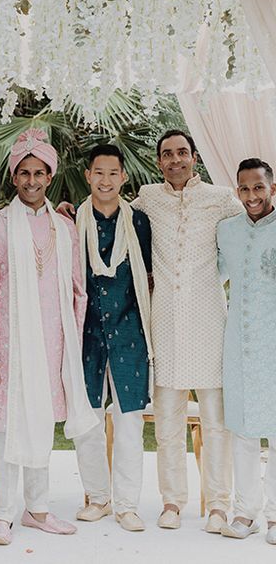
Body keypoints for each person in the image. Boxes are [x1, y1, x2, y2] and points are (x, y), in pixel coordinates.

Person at [0, 128, 97, 546]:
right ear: (13, 178)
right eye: (23, 173)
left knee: (41, 423)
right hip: (9, 345)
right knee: (8, 426)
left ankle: (37, 508)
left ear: (50, 176)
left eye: (39, 173)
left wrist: (71, 345)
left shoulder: (65, 227)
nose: (31, 181)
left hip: (52, 344)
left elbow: (78, 290)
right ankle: (4, 512)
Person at [131, 130, 242, 532]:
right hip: (165, 324)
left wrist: (214, 278)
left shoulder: (220, 198)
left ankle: (217, 504)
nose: (175, 159)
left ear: (194, 157)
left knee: (216, 422)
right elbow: (114, 216)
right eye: (167, 154)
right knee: (168, 422)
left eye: (182, 152)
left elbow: (241, 239)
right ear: (159, 160)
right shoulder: (148, 198)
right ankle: (172, 502)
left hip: (210, 321)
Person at [72, 144, 153, 532]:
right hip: (85, 335)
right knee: (87, 422)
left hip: (129, 334)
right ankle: (97, 498)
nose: (105, 180)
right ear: (88, 176)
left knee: (130, 423)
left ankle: (127, 504)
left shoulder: (139, 223)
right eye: (98, 172)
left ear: (124, 177)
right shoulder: (71, 222)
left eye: (112, 173)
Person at [217, 158, 276, 545]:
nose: (252, 196)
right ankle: (245, 512)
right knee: (240, 431)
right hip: (238, 345)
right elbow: (211, 274)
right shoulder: (227, 231)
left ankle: (274, 516)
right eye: (244, 188)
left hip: (273, 347)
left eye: (258, 187)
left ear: (272, 188)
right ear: (236, 191)